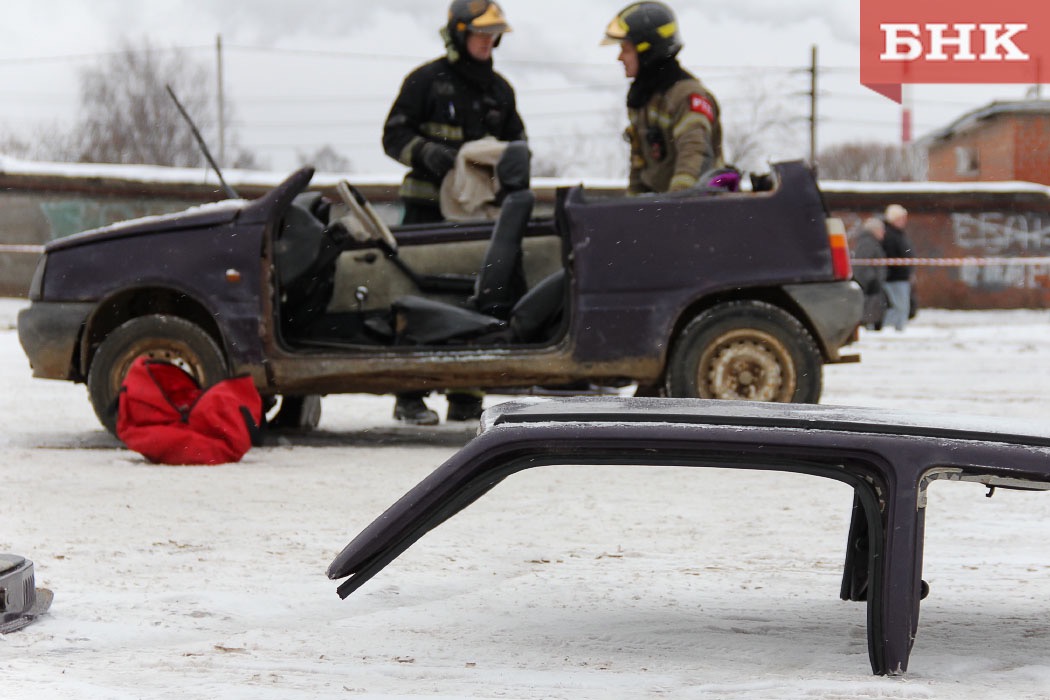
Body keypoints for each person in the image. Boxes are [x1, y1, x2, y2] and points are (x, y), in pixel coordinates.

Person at [382, 0, 526, 425]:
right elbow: (393, 135)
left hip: (479, 217)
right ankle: (410, 394)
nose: (487, 42)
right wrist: (425, 152)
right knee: (417, 297)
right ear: (459, 33)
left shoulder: (500, 90)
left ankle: (466, 393)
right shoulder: (425, 81)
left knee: (479, 298)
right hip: (425, 214)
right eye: (480, 34)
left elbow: (517, 148)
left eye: (492, 35)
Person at [602, 1, 724, 195]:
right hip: (662, 211)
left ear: (646, 50)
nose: (620, 58)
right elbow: (639, 168)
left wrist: (672, 211)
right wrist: (629, 212)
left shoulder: (687, 98)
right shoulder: (642, 100)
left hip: (697, 213)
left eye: (625, 49)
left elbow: (694, 157)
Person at [881, 204, 915, 332]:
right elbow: (893, 256)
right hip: (895, 277)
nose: (904, 221)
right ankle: (891, 329)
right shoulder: (890, 235)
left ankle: (896, 329)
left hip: (899, 276)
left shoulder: (897, 233)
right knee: (899, 307)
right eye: (901, 218)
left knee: (900, 306)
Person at [851, 216, 888, 330]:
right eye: (881, 230)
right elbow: (863, 264)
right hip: (870, 284)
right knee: (870, 309)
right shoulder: (867, 243)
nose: (884, 233)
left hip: (872, 283)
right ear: (874, 230)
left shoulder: (871, 242)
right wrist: (871, 280)